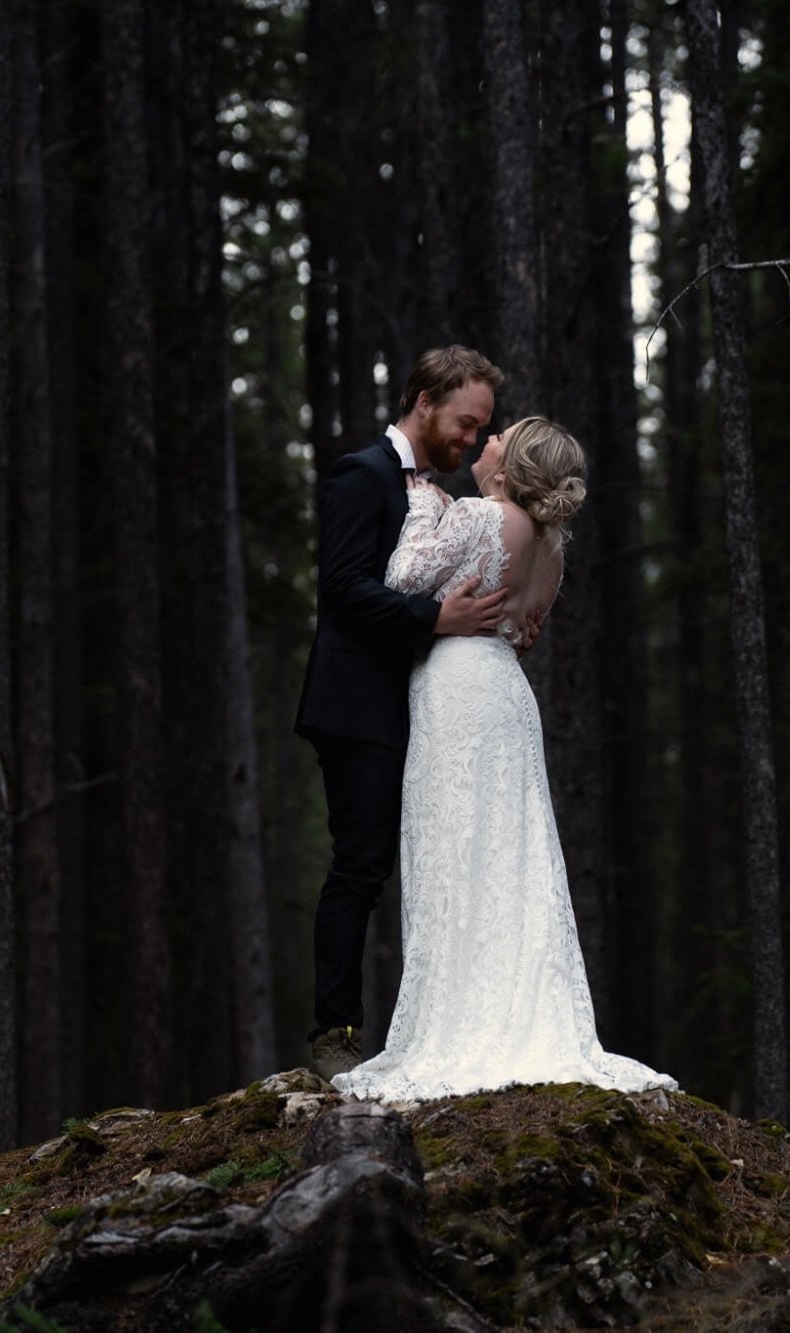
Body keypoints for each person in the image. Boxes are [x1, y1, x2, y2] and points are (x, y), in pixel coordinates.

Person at [332, 416, 676, 1101]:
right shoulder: (550, 546)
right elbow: (523, 630)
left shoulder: (484, 515)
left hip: (459, 689)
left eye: (499, 436)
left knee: (454, 848)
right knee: (509, 852)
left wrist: (425, 506)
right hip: (505, 694)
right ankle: (512, 1008)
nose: (486, 439)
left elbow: (402, 574)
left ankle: (459, 1025)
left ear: (511, 463)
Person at [295, 346, 510, 1081]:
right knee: (360, 866)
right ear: (424, 401)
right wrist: (434, 620)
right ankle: (334, 1033)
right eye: (465, 422)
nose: (472, 440)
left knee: (417, 864)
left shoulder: (435, 491)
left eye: (480, 429)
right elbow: (343, 588)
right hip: (357, 705)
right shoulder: (363, 474)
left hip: (420, 706)